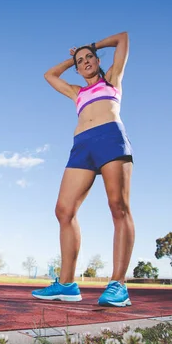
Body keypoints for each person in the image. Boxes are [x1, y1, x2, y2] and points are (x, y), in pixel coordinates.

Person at [31, 32, 135, 307]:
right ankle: (66, 285)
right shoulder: (77, 92)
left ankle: (118, 285)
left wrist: (92, 45)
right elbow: (49, 75)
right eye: (81, 61)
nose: (86, 61)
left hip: (110, 138)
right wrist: (72, 59)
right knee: (64, 210)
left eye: (90, 58)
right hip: (82, 146)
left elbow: (123, 39)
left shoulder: (112, 79)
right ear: (77, 68)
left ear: (98, 61)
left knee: (118, 206)